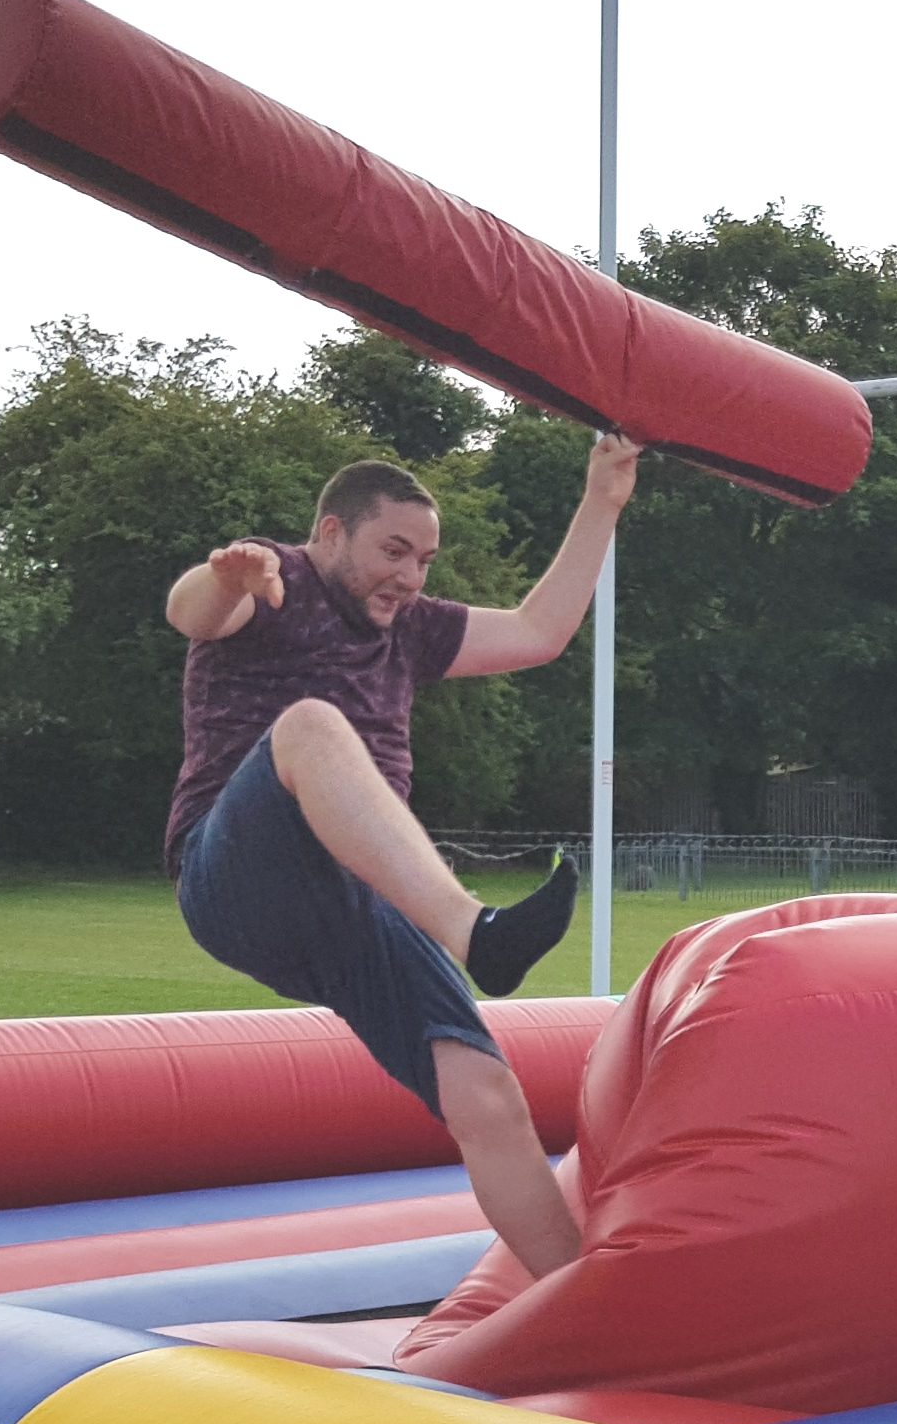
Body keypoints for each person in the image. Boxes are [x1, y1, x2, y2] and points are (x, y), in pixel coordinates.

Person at [167, 441, 634, 1291]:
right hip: (237, 878)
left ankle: (586, 1305)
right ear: (333, 532)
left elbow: (539, 632)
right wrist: (231, 575)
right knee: (311, 724)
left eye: (424, 559)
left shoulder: (411, 631)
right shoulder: (278, 583)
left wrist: (602, 499)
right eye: (394, 551)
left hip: (352, 907)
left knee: (487, 1092)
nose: (412, 576)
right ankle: (475, 933)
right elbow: (192, 613)